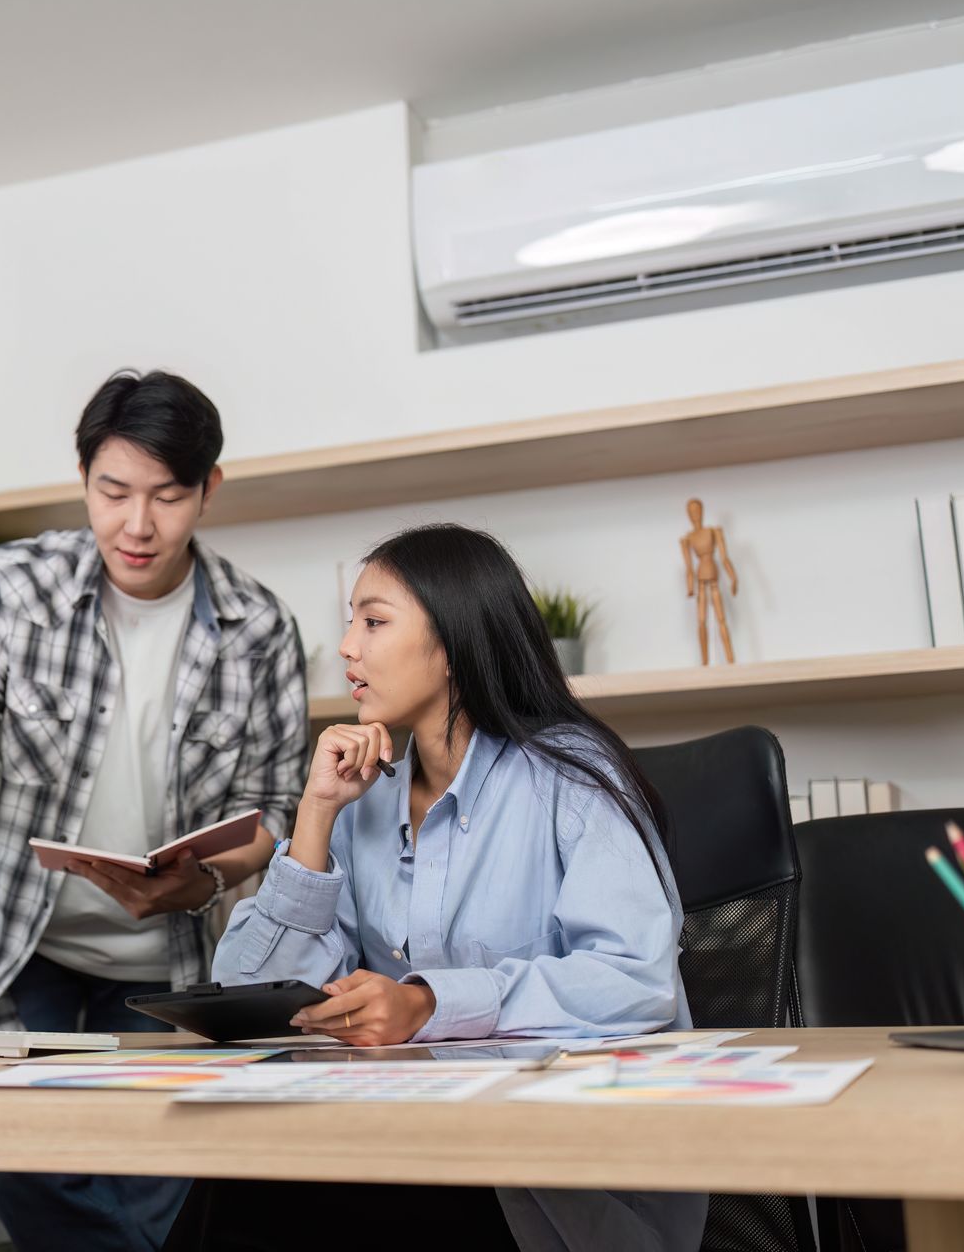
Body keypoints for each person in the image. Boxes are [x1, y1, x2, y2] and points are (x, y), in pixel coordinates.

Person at [164, 523, 708, 1252]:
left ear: (451, 644)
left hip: (539, 1171)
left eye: (374, 621)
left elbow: (636, 981)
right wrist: (317, 814)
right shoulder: (367, 798)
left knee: (264, 1195)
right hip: (404, 1139)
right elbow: (246, 988)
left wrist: (425, 1005)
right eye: (350, 623)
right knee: (242, 1177)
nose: (347, 648)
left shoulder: (572, 778)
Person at [0, 369, 308, 1252]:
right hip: (20, 940)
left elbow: (275, 808)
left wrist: (206, 877)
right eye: (113, 491)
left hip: (167, 960)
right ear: (82, 477)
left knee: (158, 1184)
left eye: (167, 496)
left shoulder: (259, 627)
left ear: (210, 489)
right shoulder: (9, 590)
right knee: (13, 1160)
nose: (137, 525)